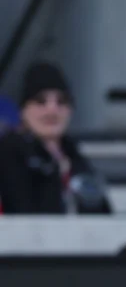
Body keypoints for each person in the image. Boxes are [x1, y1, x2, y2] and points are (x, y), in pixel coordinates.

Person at [0, 62, 110, 214]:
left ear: (70, 110)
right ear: (23, 110)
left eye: (61, 101)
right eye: (41, 101)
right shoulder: (8, 153)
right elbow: (22, 211)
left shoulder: (76, 158)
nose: (52, 110)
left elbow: (103, 216)